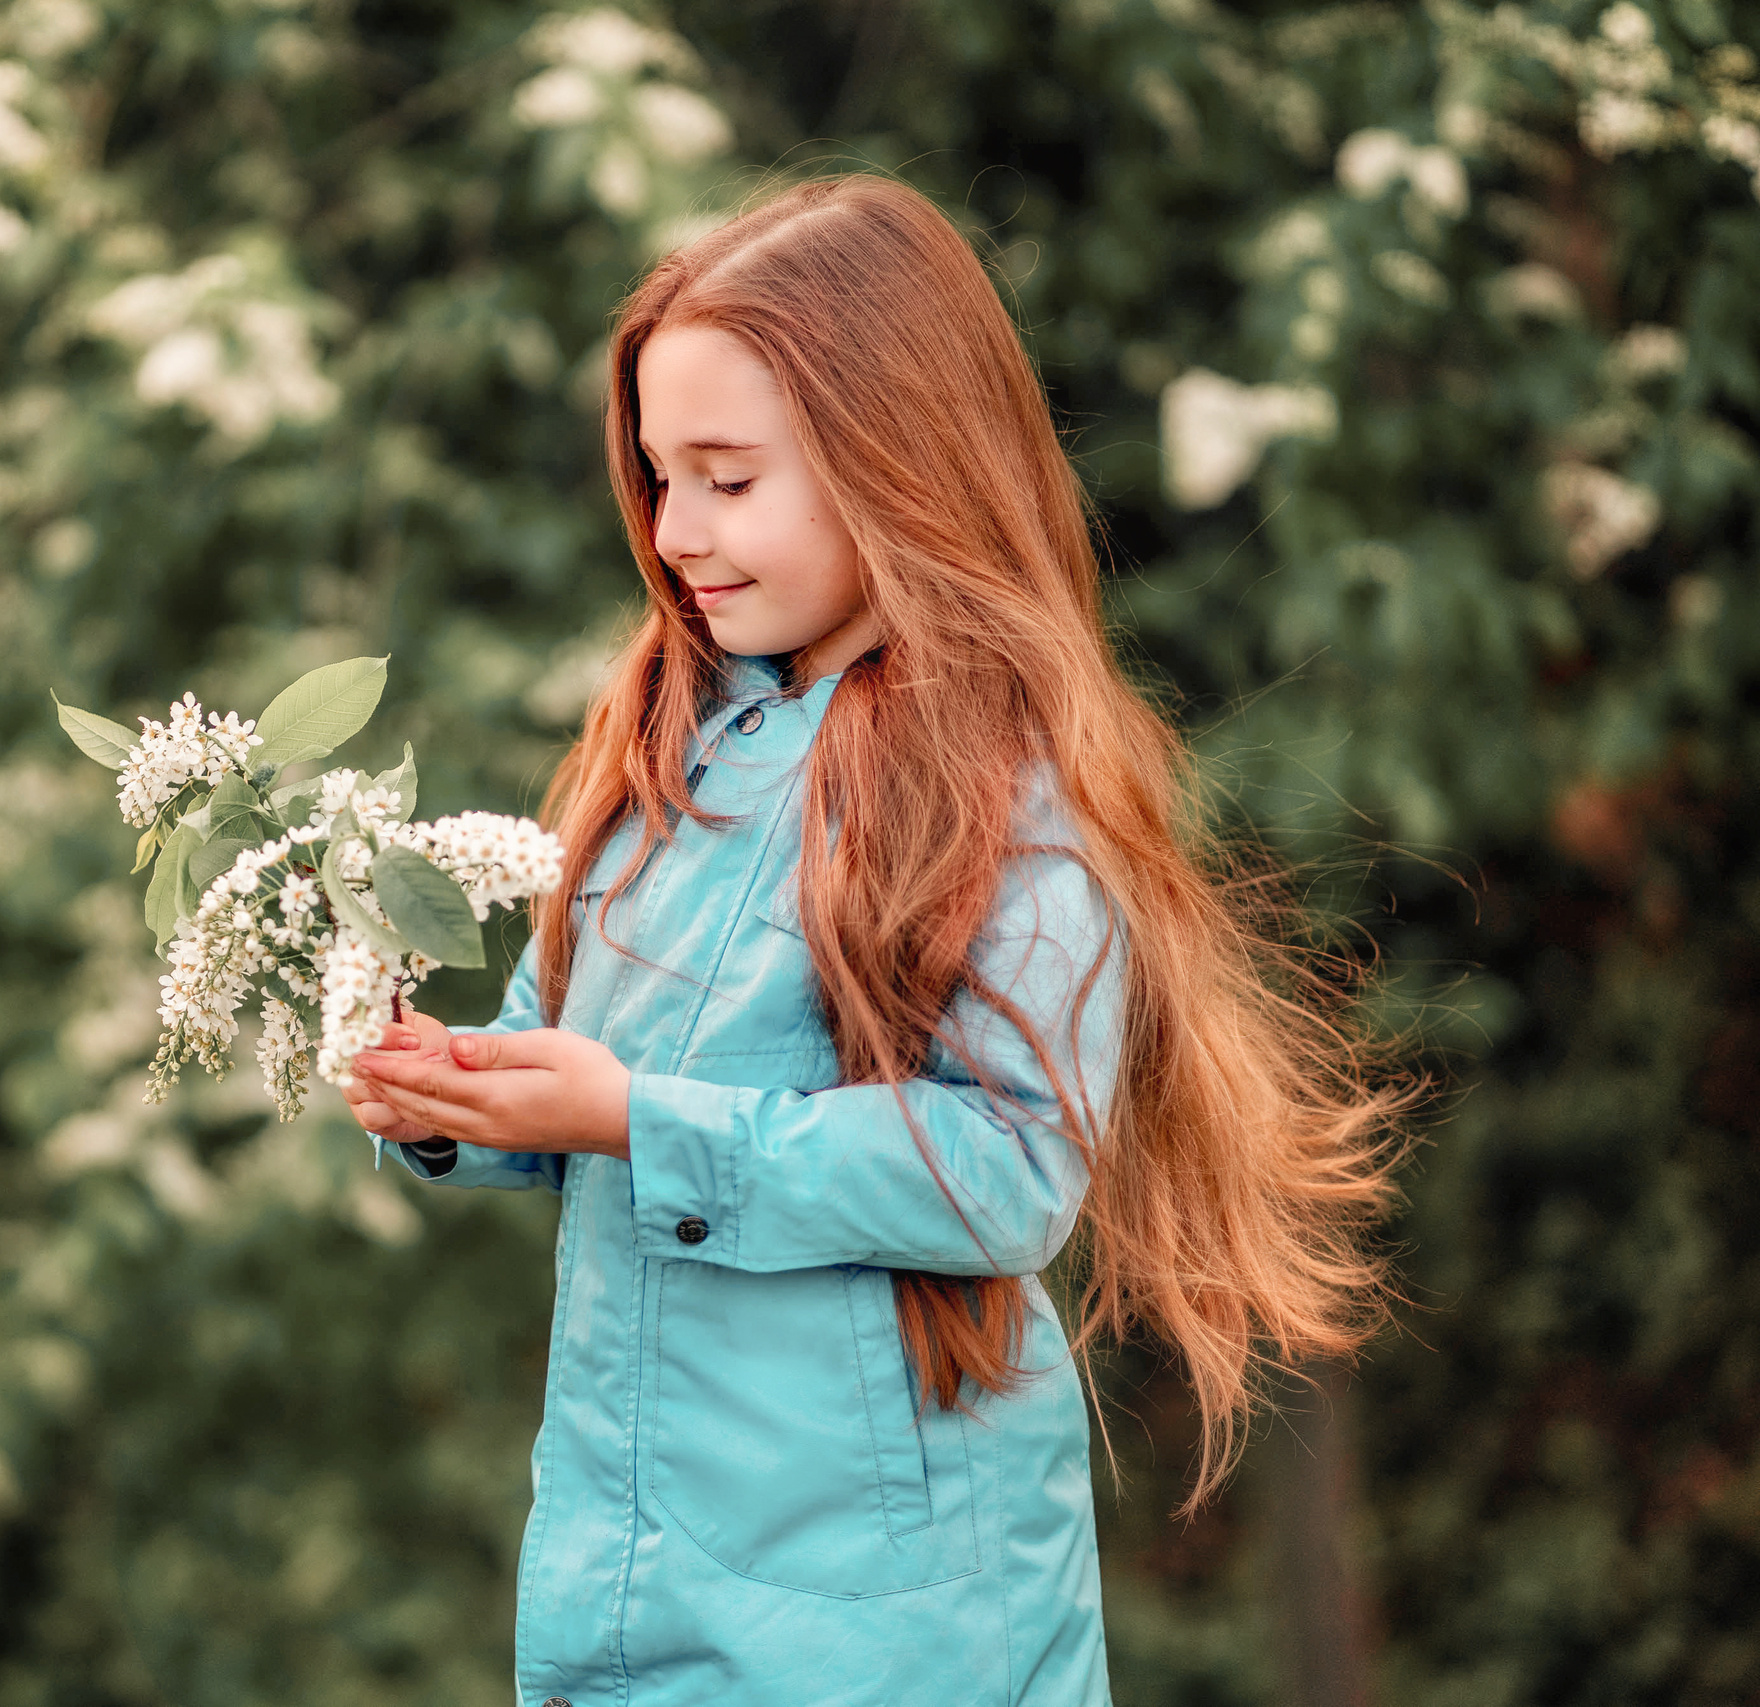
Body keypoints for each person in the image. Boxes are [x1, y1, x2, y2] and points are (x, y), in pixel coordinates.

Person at [344, 174, 1403, 1707]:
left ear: (898, 460)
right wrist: (450, 1096)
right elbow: (568, 1053)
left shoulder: (1014, 785)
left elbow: (1008, 1170)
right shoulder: (664, 738)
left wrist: (638, 1120)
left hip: (884, 1624)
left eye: (729, 478)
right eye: (656, 478)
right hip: (629, 1569)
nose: (678, 532)